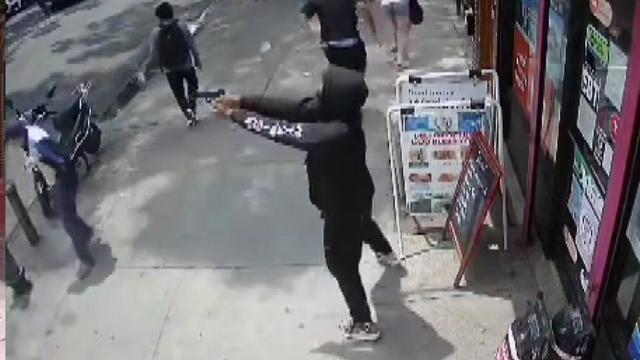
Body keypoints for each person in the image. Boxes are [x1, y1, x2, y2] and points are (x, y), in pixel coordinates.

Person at [214, 66, 400, 341]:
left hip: (343, 208)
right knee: (363, 223)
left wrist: (238, 116)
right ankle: (386, 253)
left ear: (336, 98)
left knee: (340, 263)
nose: (318, 94)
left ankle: (363, 323)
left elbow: (288, 132)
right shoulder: (334, 111)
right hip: (355, 198)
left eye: (325, 90)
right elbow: (289, 108)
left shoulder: (338, 132)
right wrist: (242, 101)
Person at [6, 121, 96, 280]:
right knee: (67, 215)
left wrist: (45, 165)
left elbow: (60, 160)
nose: (12, 146)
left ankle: (86, 260)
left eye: (12, 142)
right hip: (60, 176)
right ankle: (85, 232)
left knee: (68, 221)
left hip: (64, 177)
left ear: (17, 138)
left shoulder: (36, 143)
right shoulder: (29, 132)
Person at [142, 1, 203, 126]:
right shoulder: (181, 25)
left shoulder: (155, 32)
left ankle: (189, 115)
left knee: (179, 95)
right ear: (172, 13)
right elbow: (191, 45)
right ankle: (192, 108)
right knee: (192, 86)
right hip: (186, 65)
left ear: (159, 17)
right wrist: (197, 60)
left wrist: (146, 68)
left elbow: (154, 55)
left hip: (170, 70)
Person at [301, 0, 369, 73]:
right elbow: (363, 8)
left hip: (331, 46)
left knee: (338, 71)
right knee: (359, 70)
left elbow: (303, 15)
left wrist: (310, 36)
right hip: (353, 44)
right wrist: (374, 32)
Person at [381, 0, 411, 69]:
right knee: (402, 30)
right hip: (401, 2)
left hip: (387, 3)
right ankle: (401, 58)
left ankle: (399, 55)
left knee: (395, 27)